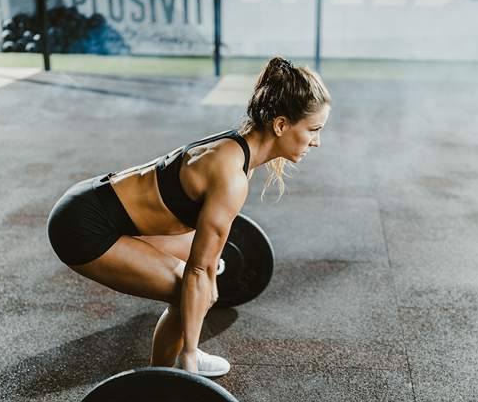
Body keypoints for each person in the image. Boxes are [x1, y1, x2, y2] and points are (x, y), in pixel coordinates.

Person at [46, 56, 331, 377]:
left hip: (100, 204)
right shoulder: (230, 176)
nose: (317, 141)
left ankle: (182, 352)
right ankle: (165, 380)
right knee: (193, 289)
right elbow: (197, 270)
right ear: (280, 125)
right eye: (313, 130)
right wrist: (191, 357)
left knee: (209, 271)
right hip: (83, 227)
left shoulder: (239, 148)